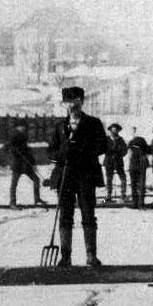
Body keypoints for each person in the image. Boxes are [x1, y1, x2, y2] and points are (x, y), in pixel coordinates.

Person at [49, 86, 108, 268]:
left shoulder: (93, 123)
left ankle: (91, 255)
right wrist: (63, 152)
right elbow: (51, 152)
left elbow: (103, 146)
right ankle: (65, 256)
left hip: (85, 175)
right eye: (68, 102)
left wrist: (82, 150)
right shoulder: (59, 126)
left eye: (76, 101)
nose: (72, 105)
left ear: (82, 102)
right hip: (65, 176)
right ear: (64, 104)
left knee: (88, 214)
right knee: (65, 215)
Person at [6, 123, 46, 208]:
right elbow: (8, 148)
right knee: (14, 184)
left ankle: (37, 199)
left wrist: (33, 162)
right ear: (18, 127)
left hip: (26, 165)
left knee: (36, 180)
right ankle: (12, 202)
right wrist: (14, 152)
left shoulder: (24, 138)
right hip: (17, 166)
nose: (23, 128)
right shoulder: (13, 137)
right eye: (21, 127)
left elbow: (28, 152)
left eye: (23, 127)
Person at [103, 124, 128, 202]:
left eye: (116, 130)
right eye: (113, 130)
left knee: (123, 178)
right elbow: (102, 148)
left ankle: (123, 195)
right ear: (110, 131)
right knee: (109, 179)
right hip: (109, 161)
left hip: (118, 161)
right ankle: (108, 196)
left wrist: (119, 154)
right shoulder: (106, 139)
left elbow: (125, 150)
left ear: (118, 131)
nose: (114, 132)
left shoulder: (120, 140)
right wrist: (109, 152)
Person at [126, 131, 150, 210]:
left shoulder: (131, 145)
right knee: (141, 186)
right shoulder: (143, 145)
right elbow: (148, 152)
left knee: (134, 185)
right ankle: (140, 204)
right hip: (140, 166)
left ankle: (135, 203)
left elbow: (129, 156)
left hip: (134, 167)